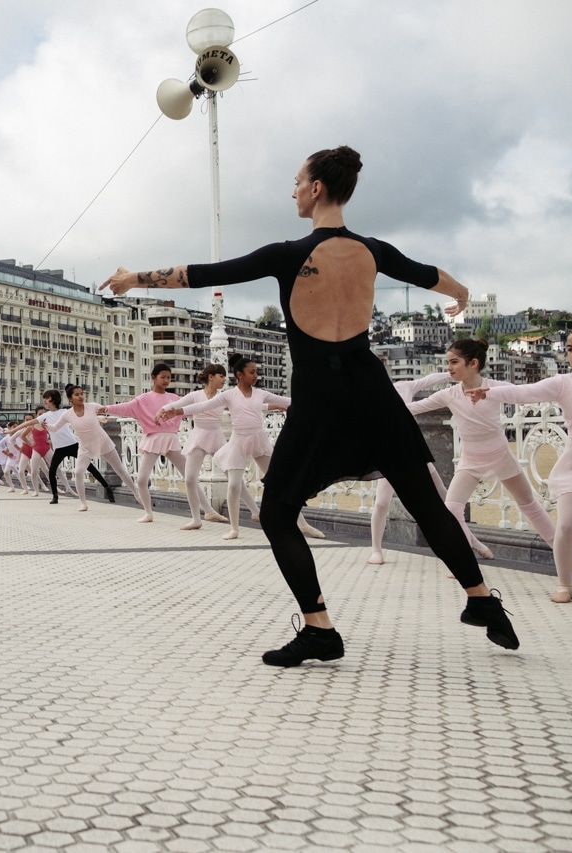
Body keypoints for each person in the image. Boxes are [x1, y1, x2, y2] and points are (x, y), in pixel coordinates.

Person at [101, 145, 517, 666]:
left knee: (278, 512)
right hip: (373, 390)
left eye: (298, 181)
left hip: (321, 395)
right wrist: (462, 293)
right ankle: (483, 601)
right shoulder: (374, 251)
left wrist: (135, 278)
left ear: (317, 188)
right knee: (426, 504)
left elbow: (204, 273)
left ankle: (320, 629)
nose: (293, 191)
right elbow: (431, 274)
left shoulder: (287, 253)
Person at [407, 339, 559, 565]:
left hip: (500, 455)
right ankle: (465, 560)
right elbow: (413, 408)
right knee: (452, 509)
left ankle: (566, 557)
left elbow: (525, 394)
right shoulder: (449, 394)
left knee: (530, 506)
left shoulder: (495, 387)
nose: (449, 368)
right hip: (470, 460)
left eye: (454, 362)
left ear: (473, 363)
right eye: (448, 362)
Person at [157, 355, 322, 542]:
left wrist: (313, 400)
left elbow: (285, 400)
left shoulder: (260, 393)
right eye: (252, 372)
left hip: (259, 441)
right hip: (239, 442)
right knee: (234, 485)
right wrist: (176, 411)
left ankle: (302, 524)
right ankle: (234, 529)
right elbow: (203, 406)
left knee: (280, 481)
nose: (255, 375)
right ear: (240, 375)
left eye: (256, 372)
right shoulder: (228, 395)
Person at [468, 329, 572, 602]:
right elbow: (524, 392)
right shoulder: (565, 383)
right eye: (570, 349)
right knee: (567, 525)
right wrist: (489, 393)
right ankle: (564, 585)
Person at [368, 370, 492, 565]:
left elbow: (428, 380)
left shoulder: (403, 387)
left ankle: (473, 541)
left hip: (413, 451)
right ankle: (376, 549)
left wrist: (452, 374)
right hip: (389, 455)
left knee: (445, 497)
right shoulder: (369, 396)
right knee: (382, 503)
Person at [99, 362, 206, 524]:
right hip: (153, 439)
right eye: (163, 377)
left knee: (189, 477)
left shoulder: (174, 399)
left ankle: (209, 510)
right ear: (153, 378)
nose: (166, 380)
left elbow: (194, 408)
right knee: (142, 479)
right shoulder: (143, 399)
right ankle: (148, 513)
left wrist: (218, 408)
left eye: (168, 377)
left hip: (171, 439)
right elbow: (125, 408)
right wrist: (106, 409)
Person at [46, 385, 141, 512]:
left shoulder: (92, 406)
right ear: (70, 398)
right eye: (76, 394)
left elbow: (109, 411)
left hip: (103, 441)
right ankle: (83, 503)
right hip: (85, 447)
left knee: (120, 469)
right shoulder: (67, 415)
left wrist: (104, 417)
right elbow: (55, 428)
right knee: (78, 472)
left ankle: (137, 495)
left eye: (81, 393)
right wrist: (45, 425)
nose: (80, 396)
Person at [174, 364, 237, 529]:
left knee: (233, 474)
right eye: (221, 376)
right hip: (198, 437)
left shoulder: (223, 397)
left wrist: (277, 405)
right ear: (211, 377)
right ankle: (196, 519)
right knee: (189, 479)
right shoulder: (196, 395)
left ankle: (254, 511)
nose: (224, 380)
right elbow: (177, 405)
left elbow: (246, 406)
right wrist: (162, 411)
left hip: (216, 437)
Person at [38, 390, 102, 504]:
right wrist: (12, 431)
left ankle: (106, 486)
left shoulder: (65, 412)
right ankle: (55, 496)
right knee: (52, 471)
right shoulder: (45, 416)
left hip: (72, 444)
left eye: (47, 398)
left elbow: (81, 417)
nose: (44, 400)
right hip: (59, 448)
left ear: (53, 399)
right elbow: (28, 423)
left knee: (89, 466)